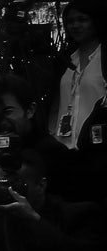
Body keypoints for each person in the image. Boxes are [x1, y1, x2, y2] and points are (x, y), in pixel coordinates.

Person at [47, 0, 106, 150]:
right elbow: (54, 103)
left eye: (82, 20)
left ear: (96, 21)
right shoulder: (64, 60)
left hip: (97, 148)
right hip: (63, 149)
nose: (75, 25)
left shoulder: (103, 57)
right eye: (70, 21)